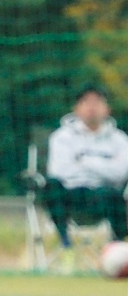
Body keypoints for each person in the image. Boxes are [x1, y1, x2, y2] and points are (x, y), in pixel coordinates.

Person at [45, 84, 128, 259]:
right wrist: (105, 165)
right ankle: (66, 246)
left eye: (97, 102)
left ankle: (118, 252)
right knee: (51, 186)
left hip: (103, 196)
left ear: (107, 108)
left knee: (113, 194)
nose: (92, 107)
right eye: (86, 102)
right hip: (71, 195)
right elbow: (59, 171)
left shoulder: (120, 140)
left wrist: (85, 161)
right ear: (76, 108)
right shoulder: (61, 138)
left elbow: (121, 173)